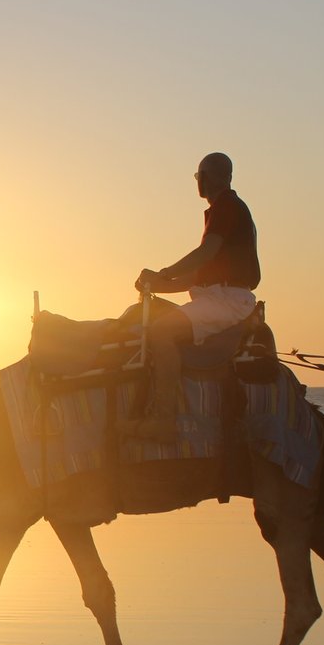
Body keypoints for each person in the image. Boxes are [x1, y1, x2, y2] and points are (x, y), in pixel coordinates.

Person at [122, 152, 260, 441]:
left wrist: (162, 273)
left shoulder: (226, 206)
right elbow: (198, 277)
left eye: (199, 176)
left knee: (160, 333)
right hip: (216, 297)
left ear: (206, 178)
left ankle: (164, 419)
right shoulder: (224, 210)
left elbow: (204, 254)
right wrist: (154, 287)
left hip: (227, 301)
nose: (199, 182)